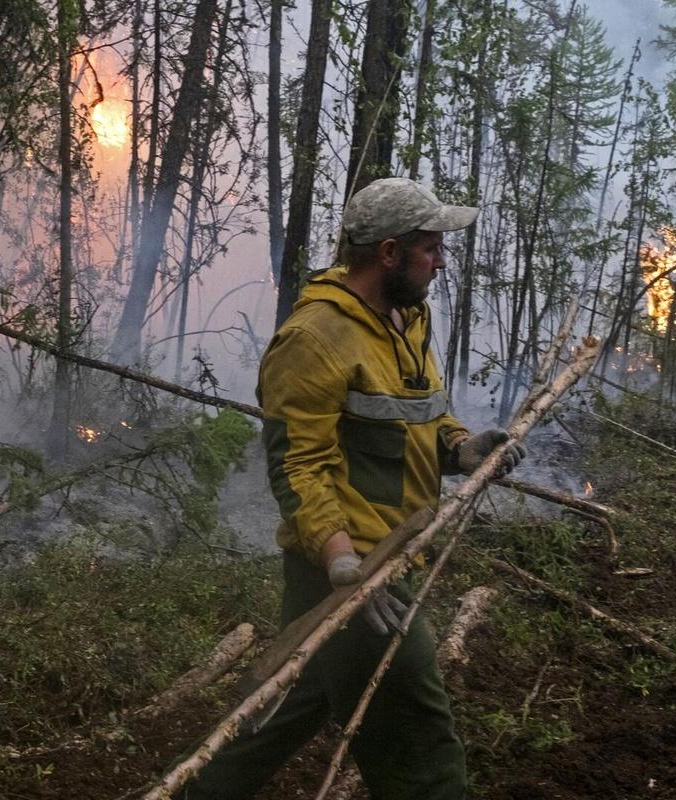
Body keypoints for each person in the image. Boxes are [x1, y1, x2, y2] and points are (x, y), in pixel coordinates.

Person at [180, 177, 525, 800]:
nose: (442, 261)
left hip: (392, 553)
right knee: (422, 751)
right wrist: (344, 563)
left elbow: (421, 415)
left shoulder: (406, 318)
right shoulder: (314, 339)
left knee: (289, 707)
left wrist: (462, 447)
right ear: (388, 252)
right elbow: (297, 466)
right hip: (351, 572)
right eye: (430, 248)